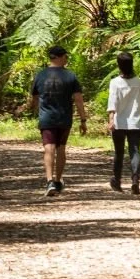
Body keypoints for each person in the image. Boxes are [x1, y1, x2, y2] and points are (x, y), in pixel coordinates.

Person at [29, 44, 87, 197]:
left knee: (49, 148)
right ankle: (58, 180)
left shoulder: (40, 75)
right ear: (61, 57)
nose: (66, 59)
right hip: (64, 118)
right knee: (61, 148)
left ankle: (49, 181)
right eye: (66, 57)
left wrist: (37, 111)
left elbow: (34, 97)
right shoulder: (70, 76)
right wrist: (83, 119)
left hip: (46, 118)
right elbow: (78, 100)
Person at [107, 50, 140, 195]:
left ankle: (117, 181)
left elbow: (112, 103)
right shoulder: (139, 82)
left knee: (119, 152)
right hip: (136, 123)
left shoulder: (115, 82)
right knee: (135, 151)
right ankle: (135, 180)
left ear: (119, 65)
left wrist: (111, 120)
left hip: (119, 123)